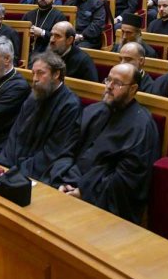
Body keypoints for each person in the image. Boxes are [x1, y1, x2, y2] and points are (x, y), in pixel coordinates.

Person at [56, 62, 160, 223]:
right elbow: (68, 149)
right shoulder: (94, 111)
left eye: (117, 83)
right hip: (68, 186)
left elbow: (126, 181)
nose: (109, 86)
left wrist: (83, 192)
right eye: (108, 80)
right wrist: (63, 179)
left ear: (133, 89)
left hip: (101, 204)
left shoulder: (141, 127)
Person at [0, 50, 83, 183]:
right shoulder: (34, 95)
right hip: (14, 167)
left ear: (56, 74)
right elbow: (15, 135)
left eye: (41, 73)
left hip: (38, 174)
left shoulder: (70, 105)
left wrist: (17, 172)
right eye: (33, 73)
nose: (35, 79)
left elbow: (53, 152)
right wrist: (3, 165)